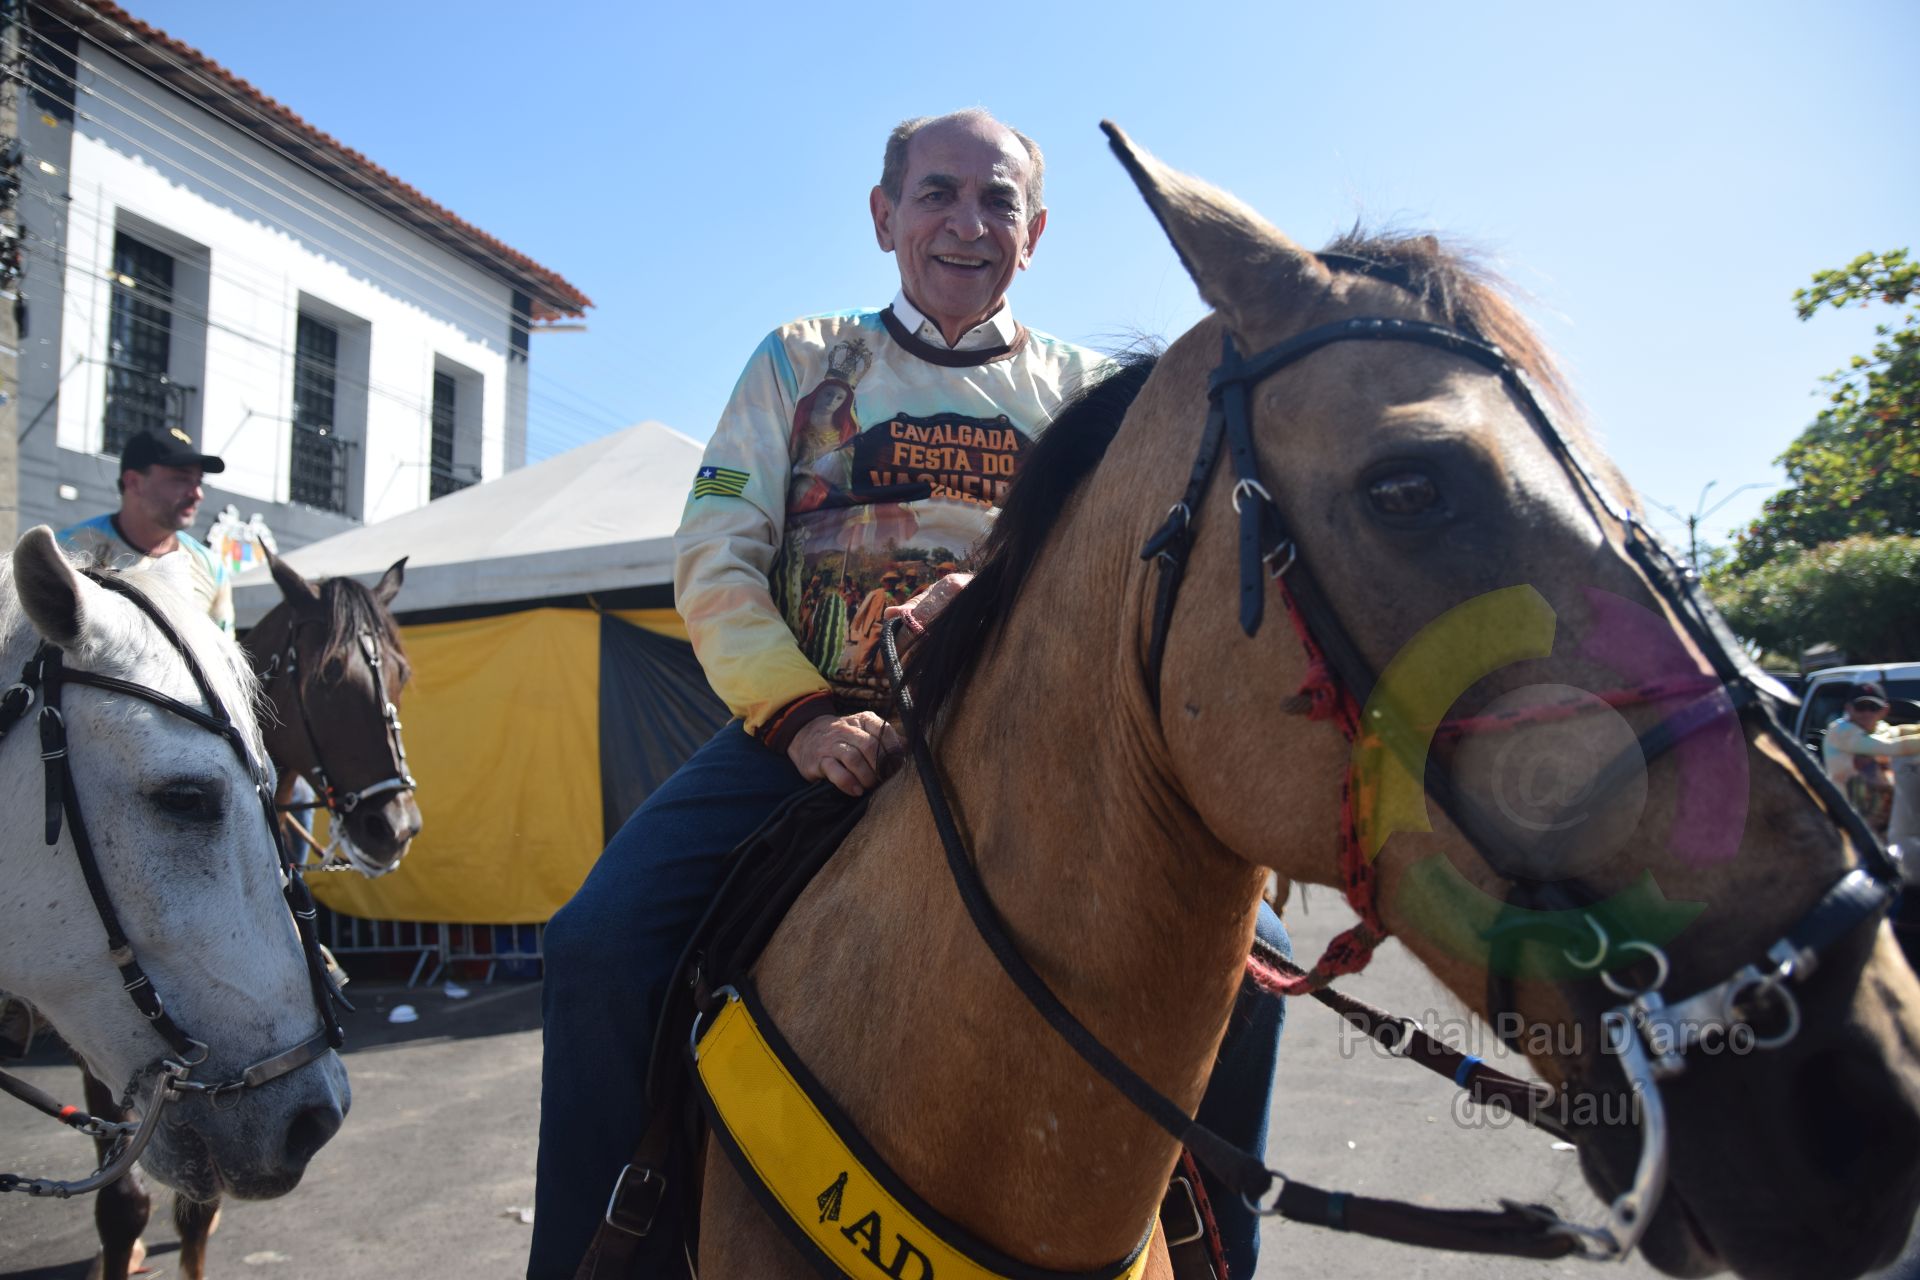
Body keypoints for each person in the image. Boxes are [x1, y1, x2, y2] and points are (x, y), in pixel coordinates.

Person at [531, 110, 1290, 1279]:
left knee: (1257, 963)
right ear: (885, 217)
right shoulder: (797, 358)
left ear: (1035, 234)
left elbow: (1143, 567)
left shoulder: (1094, 393)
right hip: (806, 724)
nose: (966, 222)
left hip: (1036, 747)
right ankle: (594, 1254)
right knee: (596, 941)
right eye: (938, 194)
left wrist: (987, 583)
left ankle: (1214, 1258)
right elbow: (715, 553)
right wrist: (800, 716)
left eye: (998, 202)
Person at [56, 427, 233, 631]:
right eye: (182, 479)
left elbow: (223, 658)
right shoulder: (68, 550)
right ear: (134, 482)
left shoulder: (211, 568)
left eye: (198, 481)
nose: (197, 494)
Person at [1821, 683, 1920, 839]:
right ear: (1848, 708)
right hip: (1848, 821)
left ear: (1884, 710)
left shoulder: (1880, 728)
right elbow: (1889, 747)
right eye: (1860, 707)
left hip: (1883, 822)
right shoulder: (1840, 731)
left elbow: (1897, 731)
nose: (1867, 713)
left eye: (1873, 707)